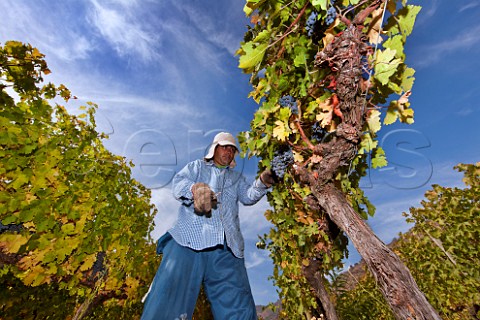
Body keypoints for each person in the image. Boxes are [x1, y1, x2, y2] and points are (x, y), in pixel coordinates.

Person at [141, 132, 276, 320]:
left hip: (227, 248)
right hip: (189, 241)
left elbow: (248, 195)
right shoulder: (197, 167)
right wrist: (196, 189)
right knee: (167, 301)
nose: (228, 151)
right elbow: (179, 183)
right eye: (224, 147)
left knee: (239, 308)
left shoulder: (236, 178)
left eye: (232, 149)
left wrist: (262, 182)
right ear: (214, 149)